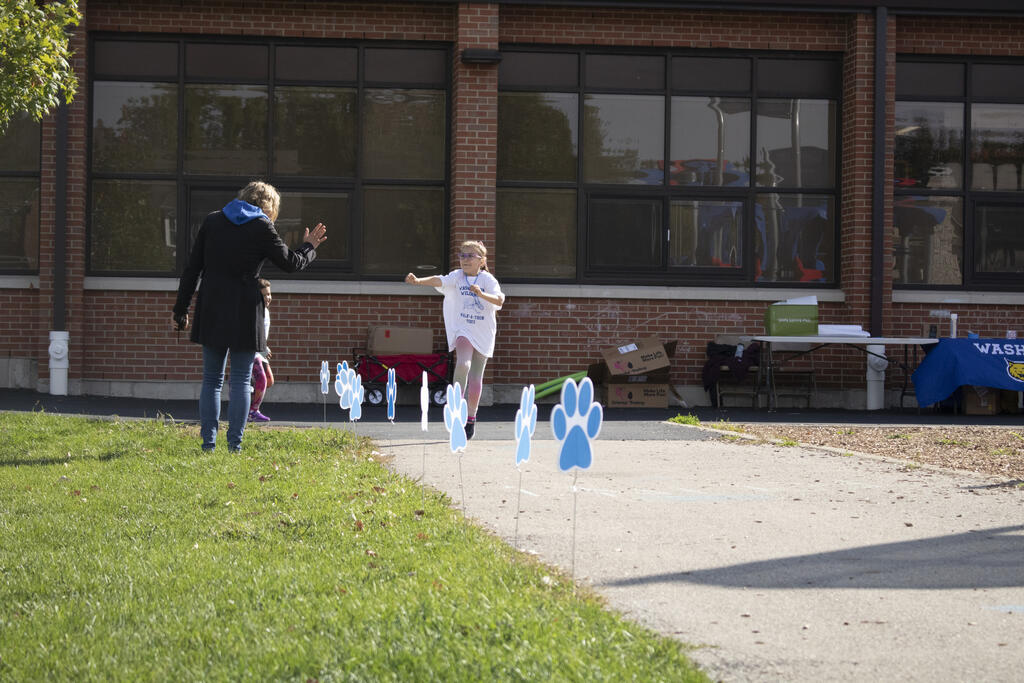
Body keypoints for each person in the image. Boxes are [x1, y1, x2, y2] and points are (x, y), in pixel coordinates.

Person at [173, 181, 326, 452]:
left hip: (212, 305)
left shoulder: (212, 221)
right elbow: (290, 263)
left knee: (211, 380)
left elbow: (192, 269)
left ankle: (208, 444)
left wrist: (180, 309)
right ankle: (235, 446)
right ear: (269, 207)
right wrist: (308, 247)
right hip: (244, 308)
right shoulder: (262, 226)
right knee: (242, 380)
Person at [404, 240, 505, 440]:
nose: (465, 259)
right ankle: (456, 410)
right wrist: (418, 281)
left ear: (482, 261)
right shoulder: (457, 276)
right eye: (462, 255)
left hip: (483, 331)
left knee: (476, 377)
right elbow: (439, 280)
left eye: (470, 256)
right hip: (463, 329)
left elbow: (499, 300)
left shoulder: (488, 279)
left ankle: (471, 418)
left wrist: (481, 294)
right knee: (463, 364)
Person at [249, 278, 275, 423]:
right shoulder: (254, 311)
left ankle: (249, 406)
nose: (268, 298)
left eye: (269, 294)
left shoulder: (266, 311)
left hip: (260, 351)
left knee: (269, 380)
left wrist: (265, 347)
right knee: (261, 379)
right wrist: (262, 348)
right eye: (264, 295)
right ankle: (253, 411)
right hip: (252, 351)